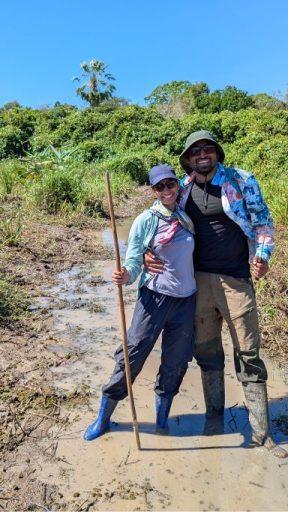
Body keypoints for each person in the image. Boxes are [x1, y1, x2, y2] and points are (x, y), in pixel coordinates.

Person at [145, 130, 288, 457]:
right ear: (188, 158)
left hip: (236, 280)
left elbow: (263, 224)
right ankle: (214, 419)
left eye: (207, 149)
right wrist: (145, 253)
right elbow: (158, 223)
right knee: (207, 353)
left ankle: (262, 434)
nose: (202, 155)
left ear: (217, 153)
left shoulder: (240, 180)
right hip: (197, 284)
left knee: (248, 354)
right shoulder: (179, 188)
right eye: (195, 152)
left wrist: (262, 257)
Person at [84, 164, 197, 441]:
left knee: (176, 361)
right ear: (153, 191)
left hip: (186, 301)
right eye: (160, 187)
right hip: (154, 299)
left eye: (170, 184)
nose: (167, 190)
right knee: (131, 355)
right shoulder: (145, 220)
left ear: (177, 185)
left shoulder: (186, 216)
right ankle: (104, 418)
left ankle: (161, 422)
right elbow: (133, 259)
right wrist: (126, 275)